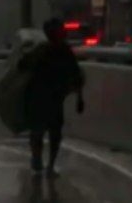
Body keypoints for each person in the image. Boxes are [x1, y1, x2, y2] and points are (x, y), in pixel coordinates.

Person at [20, 17, 85, 176]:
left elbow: (75, 74)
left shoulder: (61, 51)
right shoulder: (44, 50)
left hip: (51, 99)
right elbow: (23, 67)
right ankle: (41, 162)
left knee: (50, 133)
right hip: (42, 98)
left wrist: (79, 96)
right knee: (42, 132)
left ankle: (46, 163)